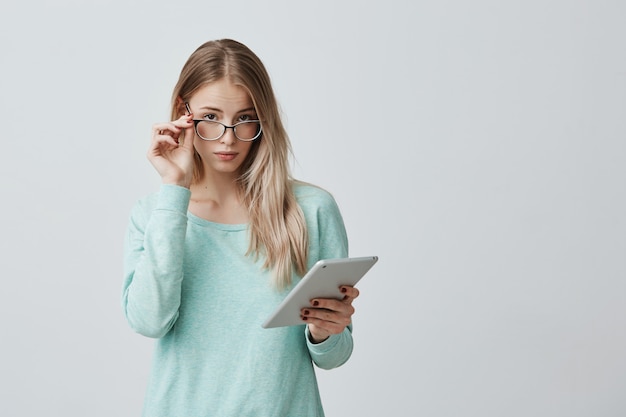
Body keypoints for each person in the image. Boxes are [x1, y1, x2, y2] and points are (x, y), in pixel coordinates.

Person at [122, 39, 360, 416]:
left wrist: (324, 331)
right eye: (211, 118)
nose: (229, 138)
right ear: (182, 114)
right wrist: (174, 190)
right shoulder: (156, 212)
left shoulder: (311, 211)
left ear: (263, 119)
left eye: (246, 118)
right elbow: (149, 321)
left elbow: (335, 356)